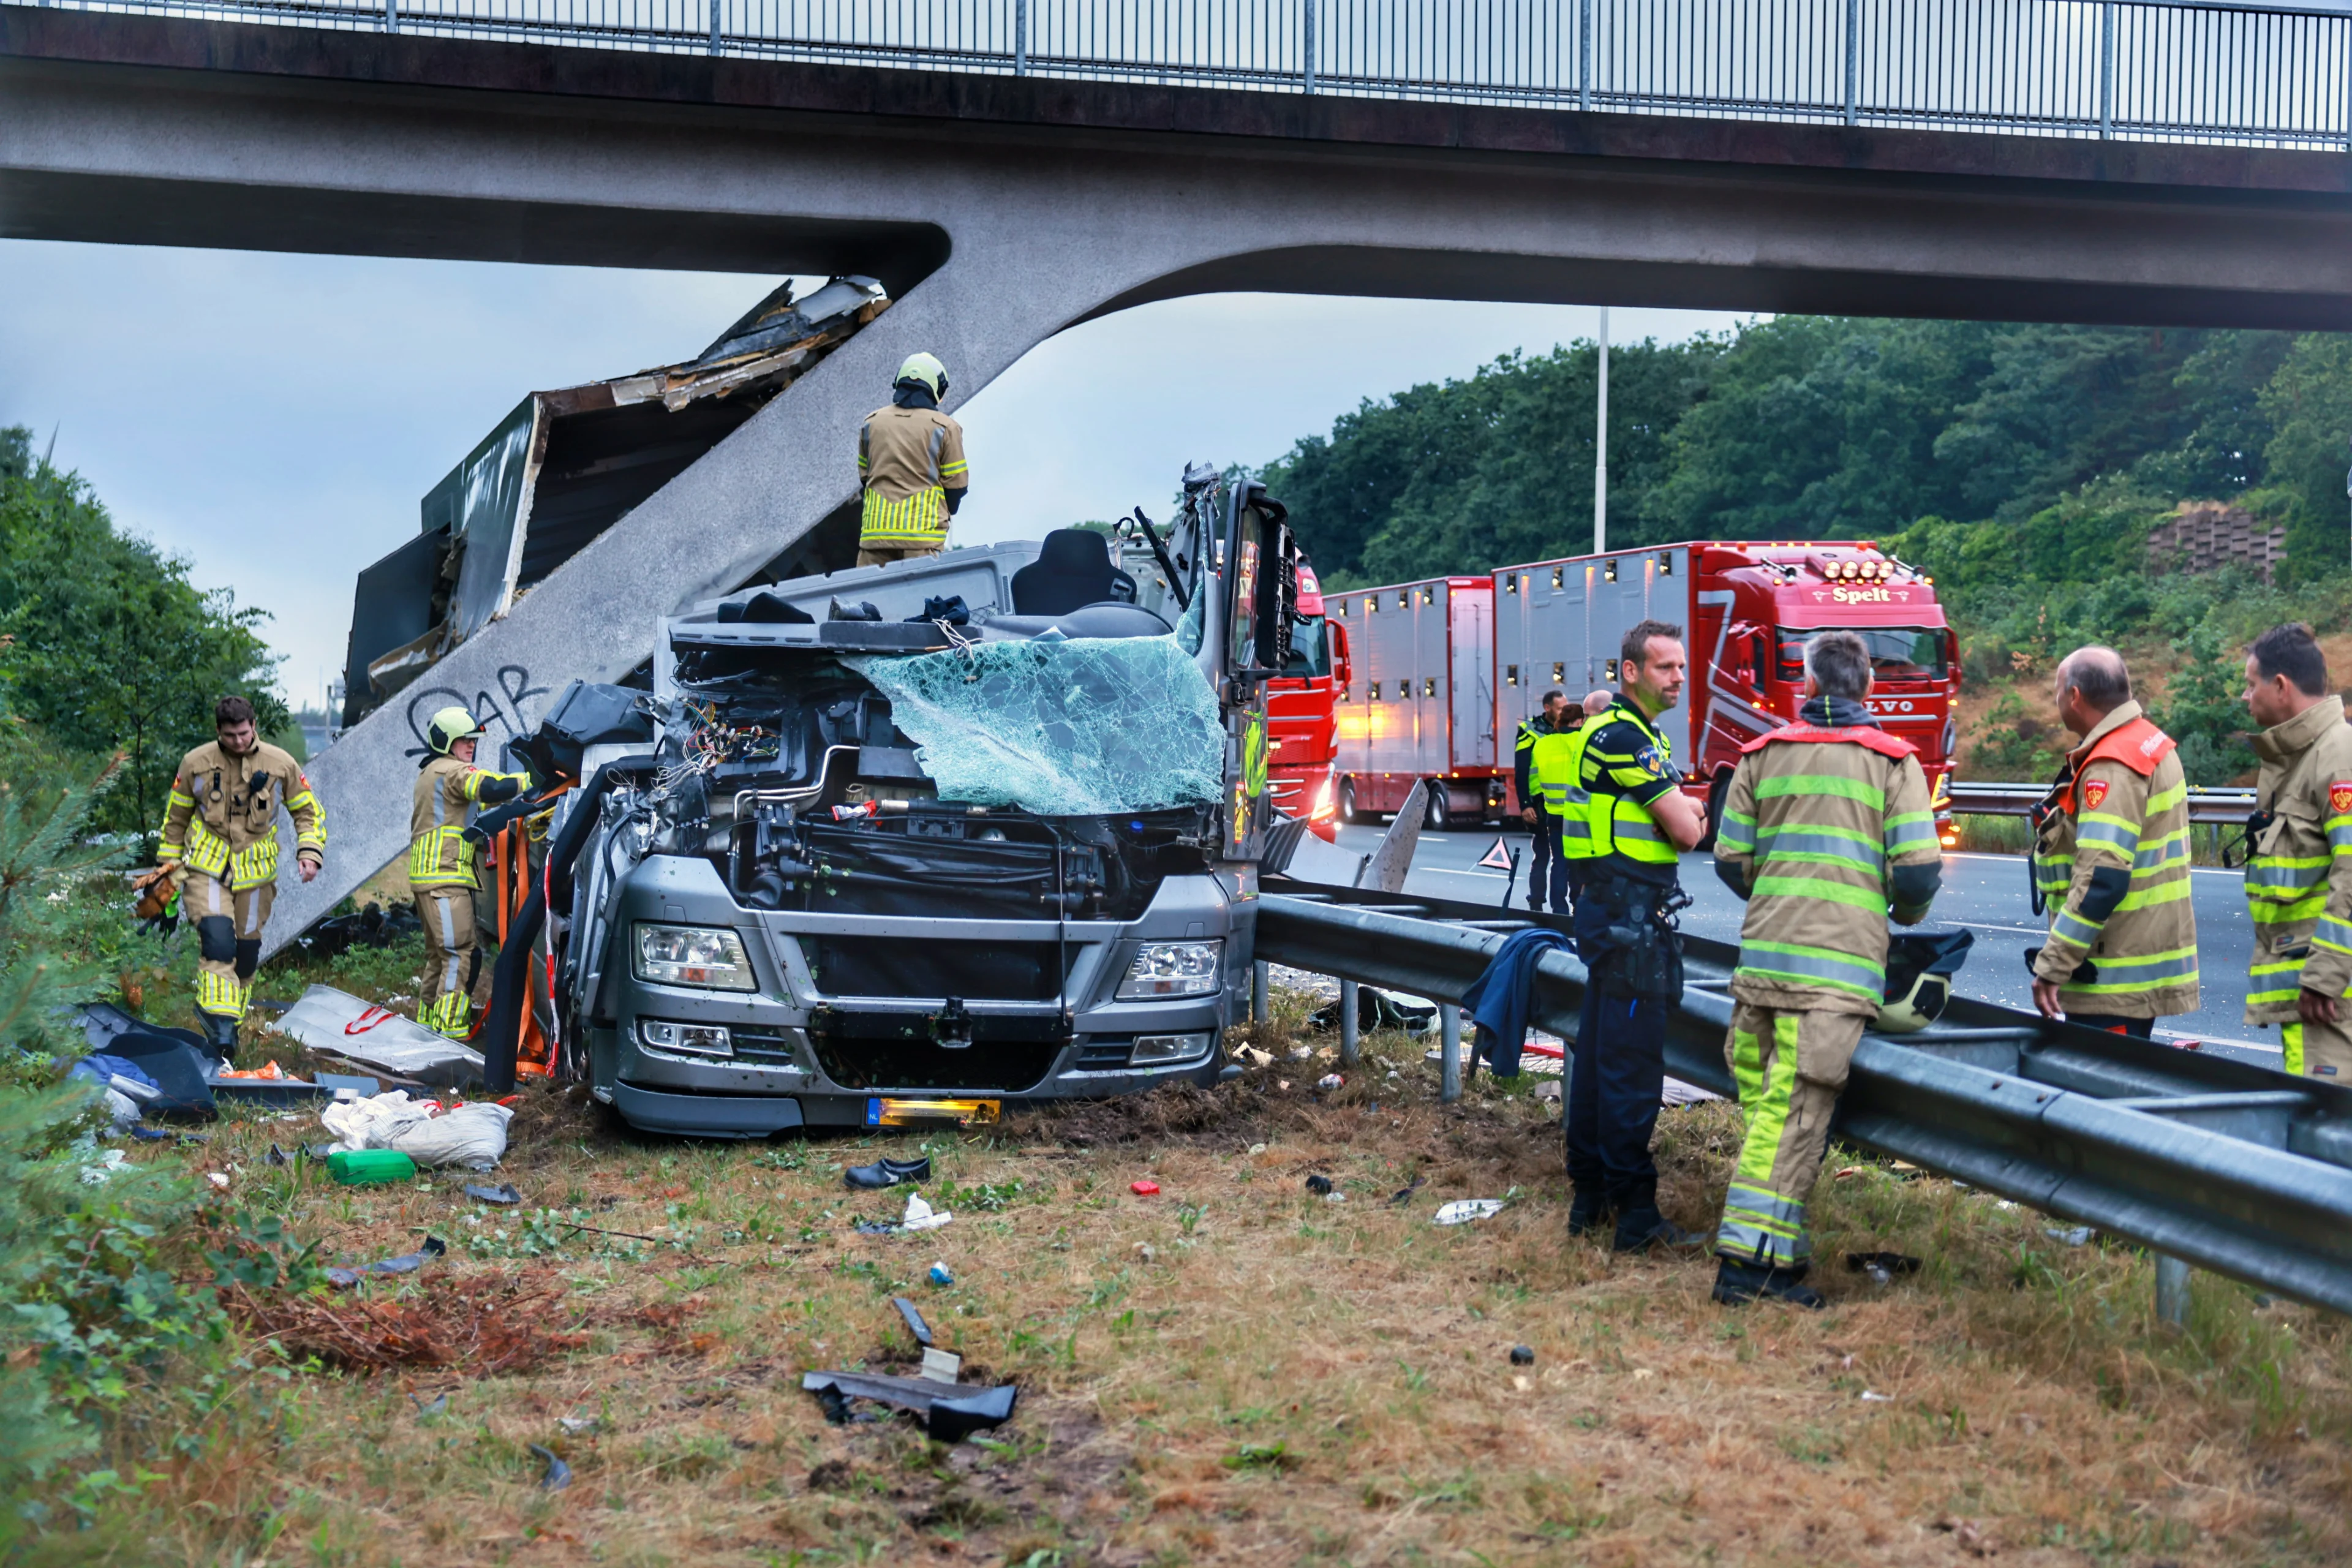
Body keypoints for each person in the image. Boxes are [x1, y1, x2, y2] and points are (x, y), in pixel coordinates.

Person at [1709, 631, 1941, 1307]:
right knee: (1796, 1118)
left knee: (1768, 1113)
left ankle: (1778, 1250)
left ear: (1808, 686)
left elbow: (1729, 860)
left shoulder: (1761, 755)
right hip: (1835, 976)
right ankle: (1748, 1270)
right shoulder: (1893, 761)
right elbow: (1918, 874)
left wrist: (1780, 900)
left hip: (1763, 965)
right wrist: (1899, 913)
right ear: (1868, 686)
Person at [1567, 624, 1708, 1251]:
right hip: (1629, 924)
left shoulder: (1625, 733)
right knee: (1630, 1067)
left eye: (1680, 666)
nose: (1678, 678)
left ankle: (1591, 1196)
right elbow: (1688, 832)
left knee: (1601, 1060)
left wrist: (1680, 804)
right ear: (1631, 672)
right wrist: (1690, 808)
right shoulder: (1626, 738)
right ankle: (1635, 1215)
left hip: (1612, 915)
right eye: (1664, 667)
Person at [2028, 646, 2198, 1035]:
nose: (2056, 700)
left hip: (2112, 971)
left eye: (2056, 691)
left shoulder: (2111, 766)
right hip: (2141, 954)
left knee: (2101, 1073)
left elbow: (2101, 879)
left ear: (2074, 696)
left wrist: (2054, 963)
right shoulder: (2149, 742)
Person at [156, 695, 326, 1058]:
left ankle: (228, 1020)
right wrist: (167, 875)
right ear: (218, 730)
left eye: (244, 734)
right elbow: (175, 821)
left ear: (254, 726)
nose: (238, 742)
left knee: (246, 957)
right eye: (230, 735)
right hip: (207, 869)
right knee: (218, 943)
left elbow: (308, 813)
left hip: (256, 875)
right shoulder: (195, 763)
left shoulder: (281, 764)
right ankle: (221, 1029)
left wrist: (309, 852)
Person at [2240, 623, 2352, 1079]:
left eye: (2252, 684)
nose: (2246, 696)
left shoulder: (2337, 757)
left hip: (2332, 998)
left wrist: (2325, 973)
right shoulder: (2299, 757)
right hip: (2314, 993)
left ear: (2281, 686)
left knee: (2328, 1118)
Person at [410, 707, 532, 1041]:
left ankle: (427, 1023)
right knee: (460, 953)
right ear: (447, 741)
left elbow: (475, 804)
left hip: (429, 878)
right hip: (446, 878)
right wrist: (532, 781)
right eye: (465, 740)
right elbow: (489, 787)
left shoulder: (431, 773)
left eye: (474, 740)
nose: (471, 745)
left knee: (439, 956)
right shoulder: (452, 771)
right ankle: (450, 1029)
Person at [856, 352, 969, 569]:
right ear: (936, 387)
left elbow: (865, 479)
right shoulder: (945, 427)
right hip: (922, 540)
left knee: (869, 591)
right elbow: (957, 487)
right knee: (919, 591)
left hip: (874, 539)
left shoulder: (871, 423)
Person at [1529, 690, 1617, 913]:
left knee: (1558, 863)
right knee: (1580, 862)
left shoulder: (1541, 745)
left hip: (1553, 814)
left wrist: (1537, 802)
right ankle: (1578, 905)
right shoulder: (1584, 741)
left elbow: (1534, 781)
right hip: (1579, 813)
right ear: (1578, 721)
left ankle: (1558, 909)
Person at [1513, 689, 1570, 911]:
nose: (1563, 712)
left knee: (1561, 859)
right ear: (1547, 708)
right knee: (1543, 855)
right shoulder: (1530, 732)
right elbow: (1521, 770)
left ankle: (1560, 909)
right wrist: (1525, 805)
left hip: (1558, 803)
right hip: (1538, 802)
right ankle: (1536, 903)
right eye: (1560, 708)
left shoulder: (1567, 729)